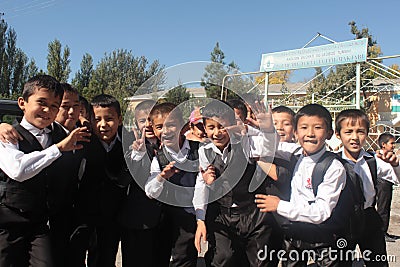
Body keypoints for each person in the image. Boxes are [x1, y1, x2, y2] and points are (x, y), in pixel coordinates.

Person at [0, 75, 89, 267]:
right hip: (9, 221)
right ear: (22, 103)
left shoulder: (58, 134)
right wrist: (58, 149)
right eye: (41, 103)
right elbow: (18, 170)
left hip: (41, 224)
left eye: (55, 106)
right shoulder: (8, 136)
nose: (48, 110)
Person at [255, 103, 347, 266]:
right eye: (304, 127)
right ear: (296, 133)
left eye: (317, 127)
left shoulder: (333, 167)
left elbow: (321, 212)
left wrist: (279, 206)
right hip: (295, 233)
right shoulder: (295, 153)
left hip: (324, 237)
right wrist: (268, 129)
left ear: (329, 133)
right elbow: (265, 148)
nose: (310, 133)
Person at [194, 100, 277, 267]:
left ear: (232, 125)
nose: (217, 133)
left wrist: (268, 129)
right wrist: (200, 219)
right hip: (223, 215)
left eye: (222, 127)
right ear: (204, 128)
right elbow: (201, 184)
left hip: (253, 214)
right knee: (223, 258)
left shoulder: (247, 143)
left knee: (259, 261)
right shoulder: (204, 151)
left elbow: (269, 148)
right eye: (211, 127)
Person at [71, 94, 131, 267]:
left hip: (112, 217)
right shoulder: (81, 139)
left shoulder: (129, 142)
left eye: (109, 119)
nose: (103, 125)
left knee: (105, 259)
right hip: (80, 214)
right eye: (97, 119)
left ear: (119, 119)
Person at [335, 109, 400, 266]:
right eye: (348, 132)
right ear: (338, 134)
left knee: (378, 262)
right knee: (340, 261)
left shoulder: (374, 160)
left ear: (368, 133)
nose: (355, 137)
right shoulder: (332, 162)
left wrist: (396, 165)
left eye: (360, 132)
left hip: (369, 218)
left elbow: (397, 178)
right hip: (342, 219)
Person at [143, 102, 199, 267]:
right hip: (165, 218)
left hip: (191, 217)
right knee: (160, 256)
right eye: (159, 127)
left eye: (171, 125)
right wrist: (162, 176)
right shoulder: (158, 158)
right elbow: (150, 191)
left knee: (185, 258)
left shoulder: (200, 151)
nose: (166, 131)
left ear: (183, 127)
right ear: (153, 129)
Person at [118, 99, 163, 267]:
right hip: (137, 220)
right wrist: (136, 156)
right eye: (143, 121)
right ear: (136, 124)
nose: (148, 125)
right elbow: (122, 181)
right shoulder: (129, 146)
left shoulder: (169, 145)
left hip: (163, 219)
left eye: (152, 120)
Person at [377, 133, 399, 242]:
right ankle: (381, 233)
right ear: (383, 144)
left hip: (388, 183)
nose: (394, 145)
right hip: (383, 183)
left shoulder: (392, 156)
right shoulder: (379, 157)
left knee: (386, 208)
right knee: (383, 209)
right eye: (392, 143)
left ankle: (384, 231)